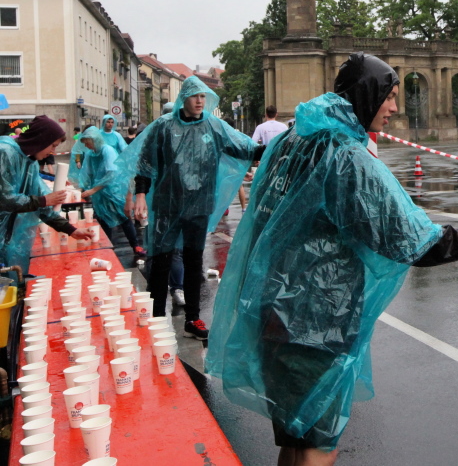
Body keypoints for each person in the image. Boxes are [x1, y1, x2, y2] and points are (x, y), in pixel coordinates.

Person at [205, 52, 458, 466]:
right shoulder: (344, 156)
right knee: (318, 445)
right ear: (367, 95)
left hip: (270, 308)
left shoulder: (292, 140)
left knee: (295, 433)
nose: (394, 108)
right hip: (313, 321)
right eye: (389, 96)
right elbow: (409, 240)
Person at [117, 76, 263, 340]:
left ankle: (192, 319)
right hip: (167, 205)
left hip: (199, 205)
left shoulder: (214, 126)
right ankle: (157, 318)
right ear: (184, 98)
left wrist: (281, 146)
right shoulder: (163, 126)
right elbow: (145, 163)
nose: (199, 101)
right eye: (195, 96)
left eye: (203, 96)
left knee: (194, 262)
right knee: (160, 262)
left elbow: (246, 149)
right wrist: (140, 195)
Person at [0, 116, 94, 274]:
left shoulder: (30, 163)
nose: (53, 152)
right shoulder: (5, 153)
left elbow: (43, 206)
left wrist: (71, 230)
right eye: (53, 146)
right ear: (40, 140)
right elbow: (5, 199)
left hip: (8, 238)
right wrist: (43, 200)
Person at [77, 127, 146, 257]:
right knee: (103, 220)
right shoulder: (91, 154)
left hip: (114, 190)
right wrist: (84, 188)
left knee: (123, 217)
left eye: (87, 142)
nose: (86, 145)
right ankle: (107, 250)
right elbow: (87, 173)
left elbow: (112, 173)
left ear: (94, 139)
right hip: (100, 194)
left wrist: (93, 189)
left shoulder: (107, 150)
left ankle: (135, 245)